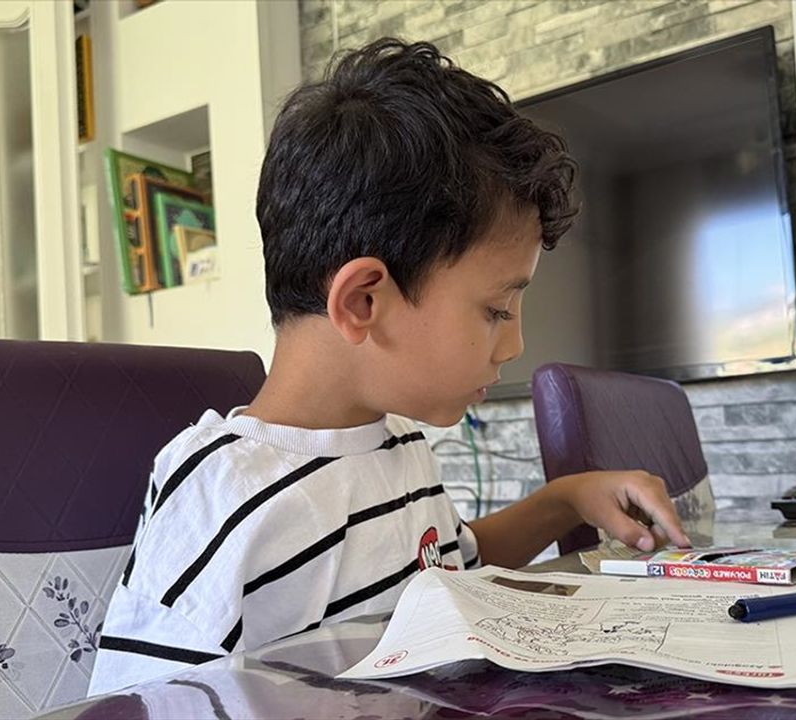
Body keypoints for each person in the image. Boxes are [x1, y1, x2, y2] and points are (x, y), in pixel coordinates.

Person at [89, 37, 689, 694]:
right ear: (363, 302)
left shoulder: (398, 444)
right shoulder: (221, 501)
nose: (515, 344)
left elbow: (456, 562)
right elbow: (138, 705)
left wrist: (564, 499)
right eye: (496, 309)